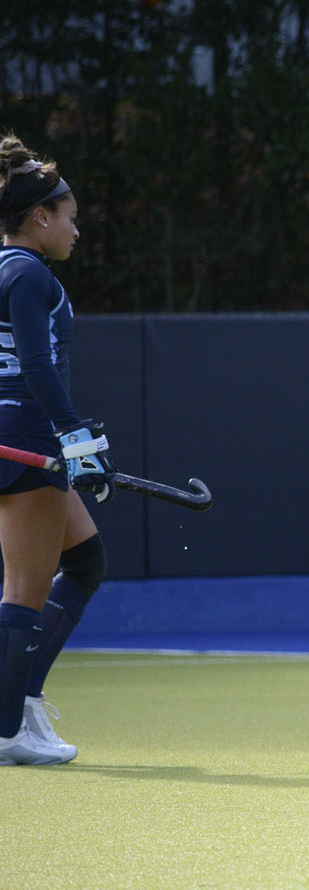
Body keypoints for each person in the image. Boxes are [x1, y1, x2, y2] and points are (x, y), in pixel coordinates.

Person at [0, 137, 117, 766]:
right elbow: (38, 369)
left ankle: (22, 701)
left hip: (21, 435)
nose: (77, 228)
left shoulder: (9, 271)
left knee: (87, 561)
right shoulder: (27, 272)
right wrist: (76, 439)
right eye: (70, 217)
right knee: (24, 584)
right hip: (31, 437)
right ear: (40, 216)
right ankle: (7, 728)